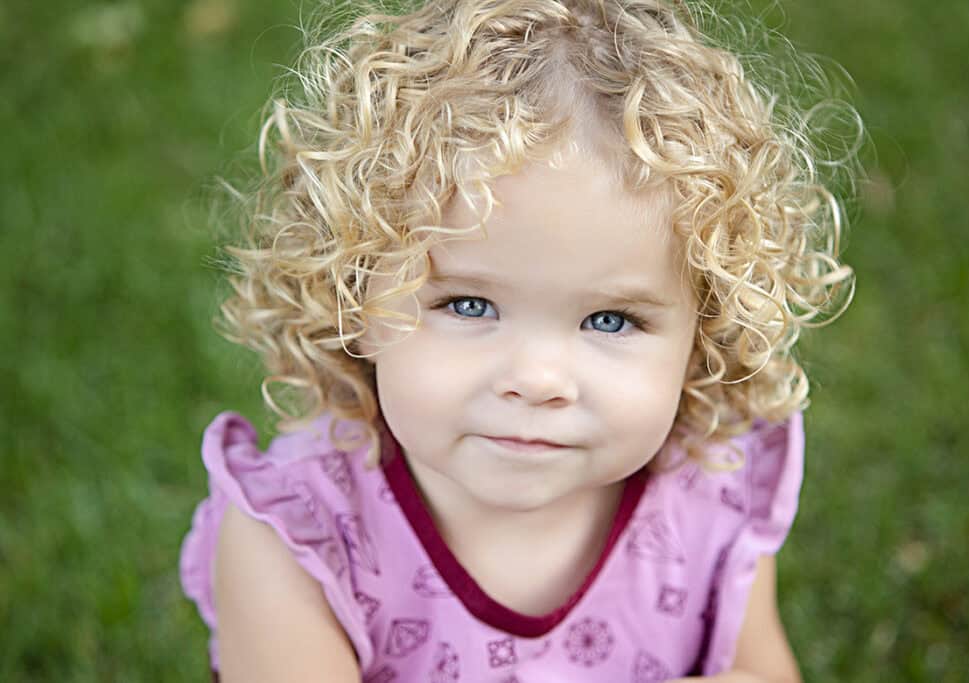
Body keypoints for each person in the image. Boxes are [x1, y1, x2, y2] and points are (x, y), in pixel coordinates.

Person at [179, 0, 858, 680]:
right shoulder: (299, 535)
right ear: (354, 293)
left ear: (704, 334)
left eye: (611, 320)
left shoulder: (708, 496)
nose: (537, 379)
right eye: (469, 304)